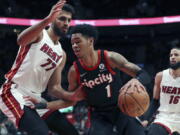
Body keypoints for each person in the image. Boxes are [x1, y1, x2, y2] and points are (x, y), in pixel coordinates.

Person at [32, 24, 151, 135]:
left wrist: (137, 80)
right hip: (98, 115)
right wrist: (46, 105)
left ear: (90, 41)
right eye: (72, 43)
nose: (74, 46)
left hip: (121, 108)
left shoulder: (110, 58)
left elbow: (144, 75)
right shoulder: (74, 71)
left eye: (78, 42)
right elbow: (71, 101)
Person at [0, 0, 80, 135]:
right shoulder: (40, 34)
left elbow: (54, 88)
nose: (66, 23)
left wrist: (72, 95)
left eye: (69, 20)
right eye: (62, 18)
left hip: (36, 99)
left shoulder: (62, 53)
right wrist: (47, 20)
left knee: (71, 131)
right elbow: (20, 40)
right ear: (53, 19)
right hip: (14, 92)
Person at [144, 46, 180, 135]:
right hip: (164, 117)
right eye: (171, 55)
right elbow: (155, 101)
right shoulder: (160, 76)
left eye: (176, 55)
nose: (172, 57)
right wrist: (146, 119)